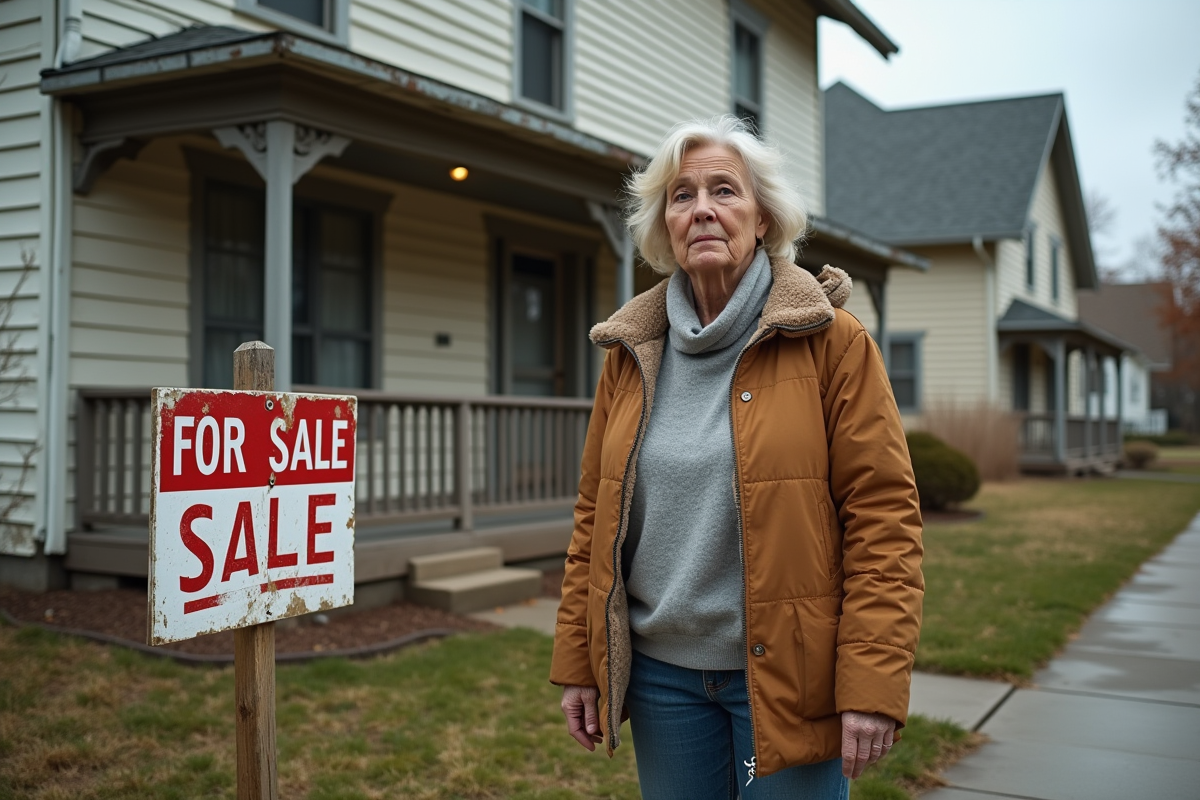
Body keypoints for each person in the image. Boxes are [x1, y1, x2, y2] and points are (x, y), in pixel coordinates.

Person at [549, 115, 924, 800]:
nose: (702, 209)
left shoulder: (833, 343)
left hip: (790, 675)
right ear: (665, 224)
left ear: (763, 217)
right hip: (662, 680)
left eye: (724, 190)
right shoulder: (629, 356)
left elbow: (884, 522)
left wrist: (871, 682)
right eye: (682, 195)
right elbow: (592, 522)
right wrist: (580, 659)